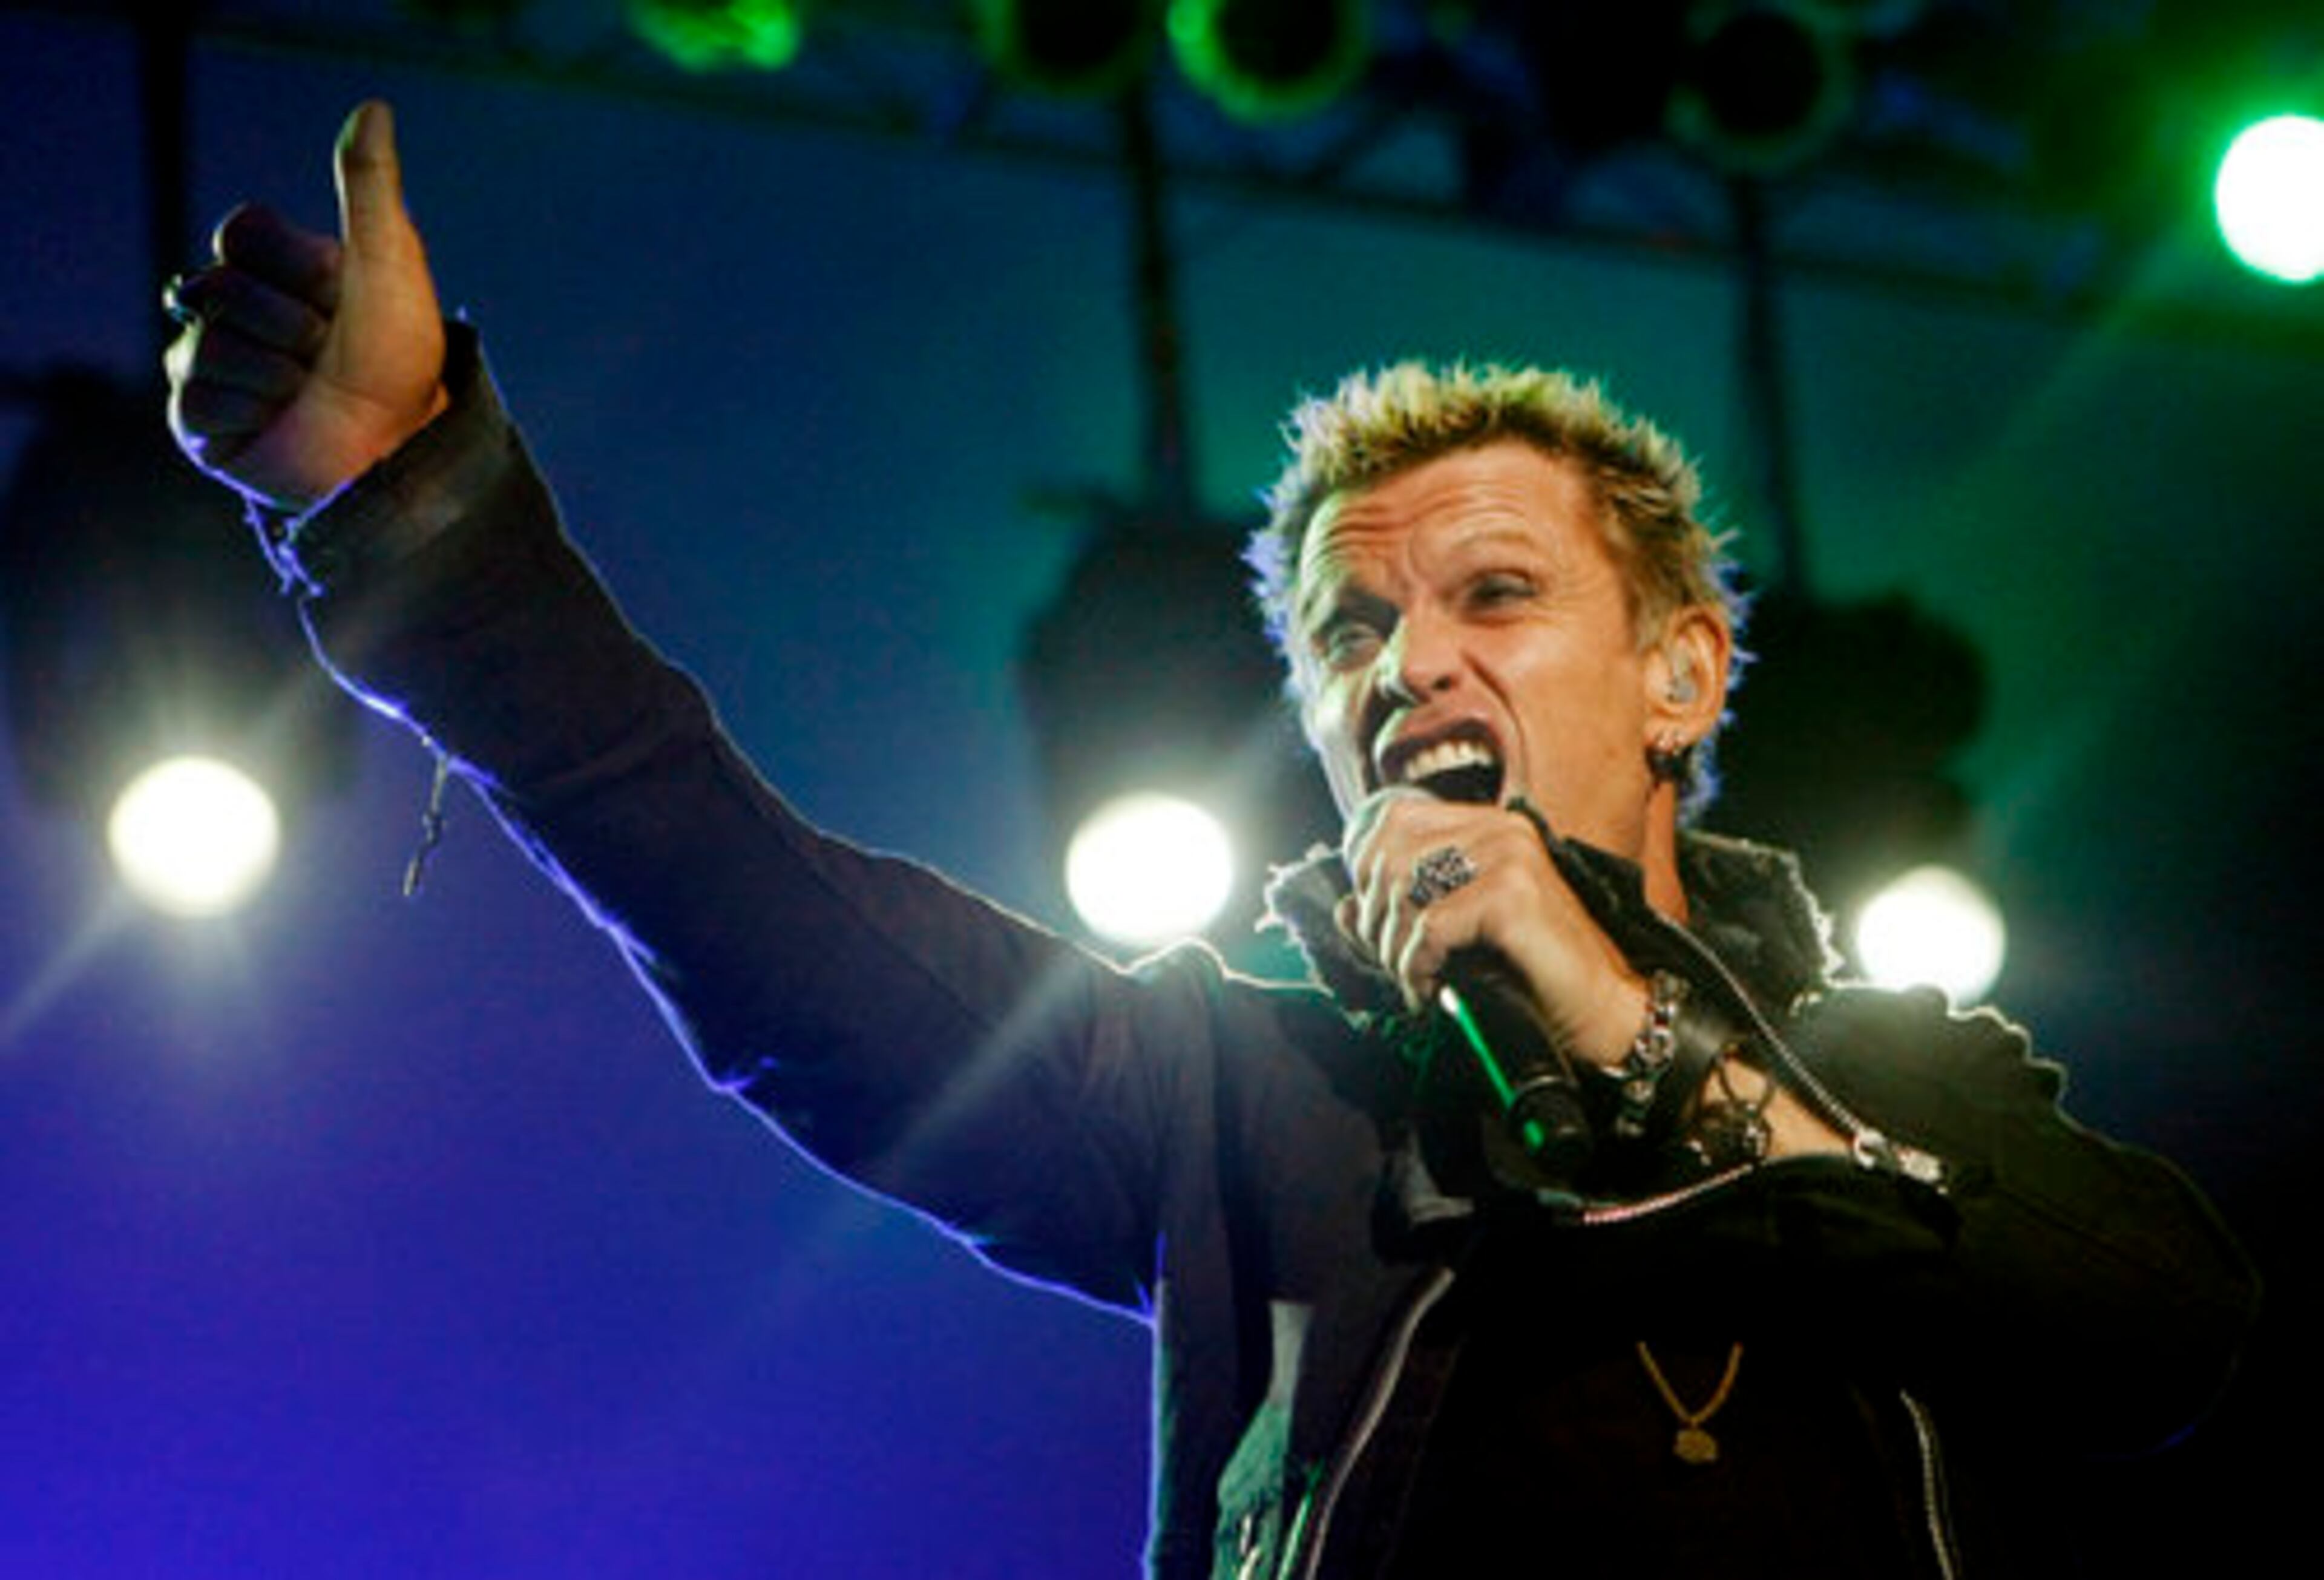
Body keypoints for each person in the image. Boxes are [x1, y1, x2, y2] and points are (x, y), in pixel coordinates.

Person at [163, 103, 2257, 1578]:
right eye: (1353, 630)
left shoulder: (1899, 1078)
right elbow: (759, 917)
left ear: (1683, 675)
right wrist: (417, 512)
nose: (1409, 665)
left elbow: (2166, 1340)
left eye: (1496, 595)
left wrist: (1633, 1029)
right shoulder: (1232, 1089)